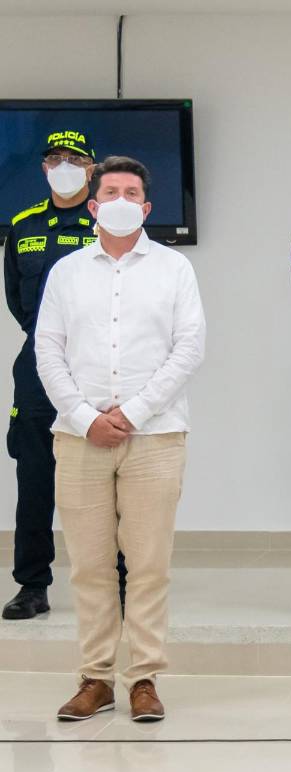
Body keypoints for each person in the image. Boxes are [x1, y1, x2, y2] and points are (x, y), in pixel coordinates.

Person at [36, 156, 205, 722]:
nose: (121, 201)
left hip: (155, 436)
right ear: (93, 205)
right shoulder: (66, 272)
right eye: (111, 192)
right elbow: (47, 350)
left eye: (132, 193)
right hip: (78, 437)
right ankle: (96, 678)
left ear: (146, 207)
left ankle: (145, 679)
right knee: (89, 565)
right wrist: (86, 417)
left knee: (149, 563)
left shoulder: (174, 269)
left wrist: (130, 413)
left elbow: (188, 348)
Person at [3, 129, 127, 620]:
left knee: (111, 476)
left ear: (92, 169)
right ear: (44, 168)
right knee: (35, 477)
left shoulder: (108, 225)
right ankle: (32, 586)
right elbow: (18, 302)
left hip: (97, 366)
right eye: (55, 159)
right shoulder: (22, 225)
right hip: (38, 368)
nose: (64, 167)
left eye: (74, 159)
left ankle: (120, 583)